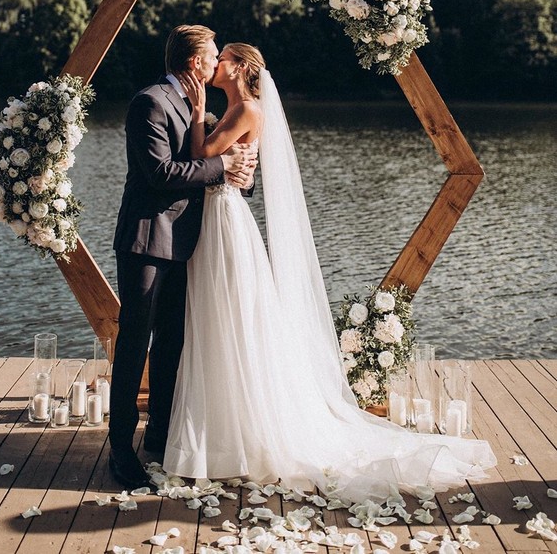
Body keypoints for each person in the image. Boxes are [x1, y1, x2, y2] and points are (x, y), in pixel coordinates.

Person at [163, 42, 496, 502]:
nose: (215, 62)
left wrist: (199, 110)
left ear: (238, 66)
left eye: (222, 57)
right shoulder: (238, 107)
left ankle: (235, 438)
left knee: (230, 317)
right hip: (219, 216)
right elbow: (221, 164)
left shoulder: (245, 109)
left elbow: (202, 156)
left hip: (225, 222)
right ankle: (225, 432)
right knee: (222, 320)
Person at [108, 25, 256, 490]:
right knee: (134, 345)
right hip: (147, 241)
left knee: (172, 341)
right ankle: (120, 451)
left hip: (185, 243)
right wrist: (223, 167)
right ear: (195, 63)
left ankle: (160, 433)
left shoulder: (195, 107)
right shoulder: (149, 102)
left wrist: (238, 167)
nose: (215, 63)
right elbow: (158, 173)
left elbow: (211, 155)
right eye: (212, 56)